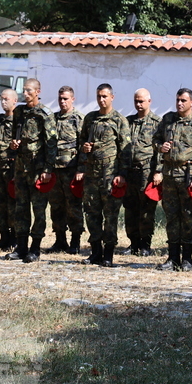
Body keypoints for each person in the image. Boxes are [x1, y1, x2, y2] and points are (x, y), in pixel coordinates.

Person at [152, 88, 192, 271]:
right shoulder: (168, 119)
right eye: (178, 100)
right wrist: (160, 147)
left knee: (188, 216)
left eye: (183, 100)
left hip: (188, 175)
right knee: (171, 217)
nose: (179, 103)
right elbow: (155, 139)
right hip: (170, 175)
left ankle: (187, 257)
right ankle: (172, 257)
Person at [77, 84, 132, 268]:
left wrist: (122, 174)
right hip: (92, 174)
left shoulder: (119, 120)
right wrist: (84, 149)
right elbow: (81, 142)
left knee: (110, 216)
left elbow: (125, 150)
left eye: (105, 96)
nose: (102, 100)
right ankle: (95, 252)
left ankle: (108, 254)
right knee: (91, 213)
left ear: (112, 97)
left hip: (110, 175)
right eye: (99, 96)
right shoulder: (90, 118)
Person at [6, 78, 58, 263]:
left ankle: (35, 248)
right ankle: (21, 247)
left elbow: (51, 144)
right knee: (20, 208)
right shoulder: (19, 111)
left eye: (29, 90)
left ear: (38, 91)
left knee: (38, 209)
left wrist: (48, 169)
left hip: (38, 169)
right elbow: (15, 135)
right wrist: (14, 144)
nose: (25, 94)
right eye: (23, 90)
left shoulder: (44, 114)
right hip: (21, 167)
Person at [123, 88, 161, 257]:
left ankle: (145, 244)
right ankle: (133, 243)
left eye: (142, 101)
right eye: (136, 101)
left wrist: (159, 171)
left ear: (149, 101)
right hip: (129, 172)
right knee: (130, 209)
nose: (138, 104)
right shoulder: (128, 122)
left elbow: (161, 150)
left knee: (146, 210)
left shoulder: (157, 123)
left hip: (147, 172)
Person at [48, 86, 84, 255]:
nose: (62, 102)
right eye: (60, 98)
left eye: (66, 99)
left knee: (73, 206)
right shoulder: (53, 119)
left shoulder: (78, 119)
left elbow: (84, 147)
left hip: (71, 170)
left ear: (72, 99)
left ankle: (75, 241)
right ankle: (60, 240)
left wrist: (81, 169)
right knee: (56, 206)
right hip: (55, 171)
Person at [0, 89, 18, 250]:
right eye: (1, 99)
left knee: (13, 204)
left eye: (6, 99)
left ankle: (14, 236)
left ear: (15, 101)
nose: (3, 102)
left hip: (12, 169)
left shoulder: (19, 121)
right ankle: (4, 236)